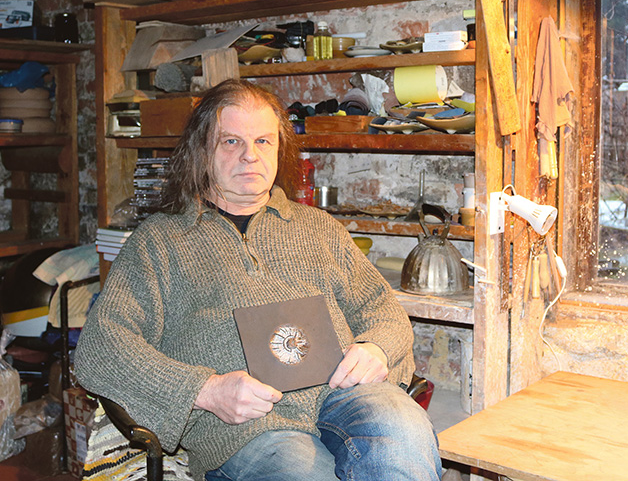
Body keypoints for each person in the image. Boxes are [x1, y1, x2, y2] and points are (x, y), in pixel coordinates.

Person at [74, 79, 442, 481]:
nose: (250, 155)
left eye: (263, 141)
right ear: (201, 151)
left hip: (345, 394)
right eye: (231, 142)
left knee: (405, 433)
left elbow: (382, 308)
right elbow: (101, 346)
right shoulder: (158, 242)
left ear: (279, 149)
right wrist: (205, 390)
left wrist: (376, 347)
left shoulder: (318, 227)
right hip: (246, 429)